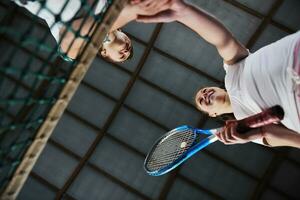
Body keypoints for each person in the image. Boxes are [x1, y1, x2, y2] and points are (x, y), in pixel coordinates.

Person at [134, 0, 300, 148]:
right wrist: (259, 133)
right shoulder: (246, 124)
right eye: (202, 100)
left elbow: (224, 41)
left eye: (204, 90)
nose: (205, 94)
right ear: (214, 114)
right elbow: (285, 138)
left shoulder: (232, 73)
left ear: (220, 88)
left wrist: (185, 13)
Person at [12, 0, 170, 62]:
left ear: (104, 54)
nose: (126, 51)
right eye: (130, 47)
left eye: (122, 56)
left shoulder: (79, 53)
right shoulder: (113, 5)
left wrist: (132, 12)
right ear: (123, 32)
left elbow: (70, 37)